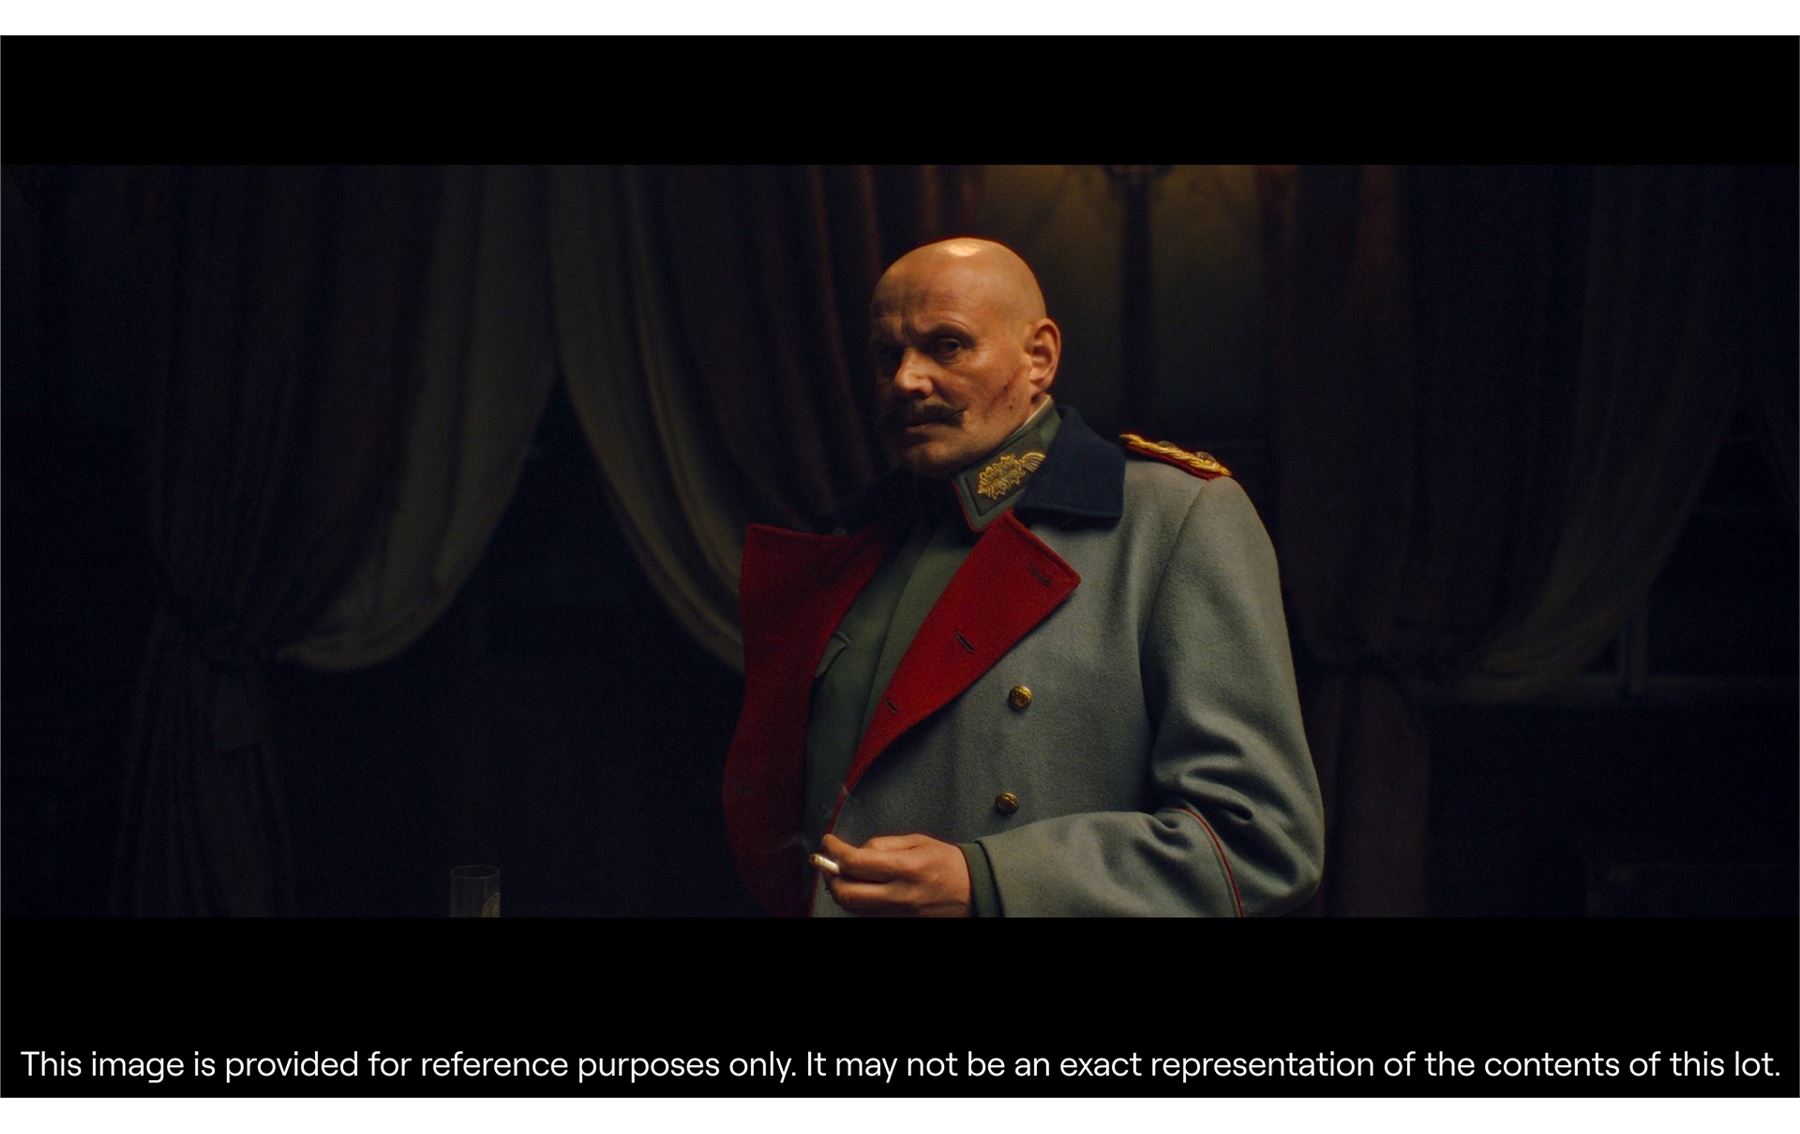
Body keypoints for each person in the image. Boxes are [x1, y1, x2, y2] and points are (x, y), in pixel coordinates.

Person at [722, 237, 1323, 917]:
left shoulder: (1171, 520)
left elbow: (1259, 840)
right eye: (889, 355)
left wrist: (988, 881)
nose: (907, 380)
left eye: (947, 346)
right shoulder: (854, 536)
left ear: (1039, 357)